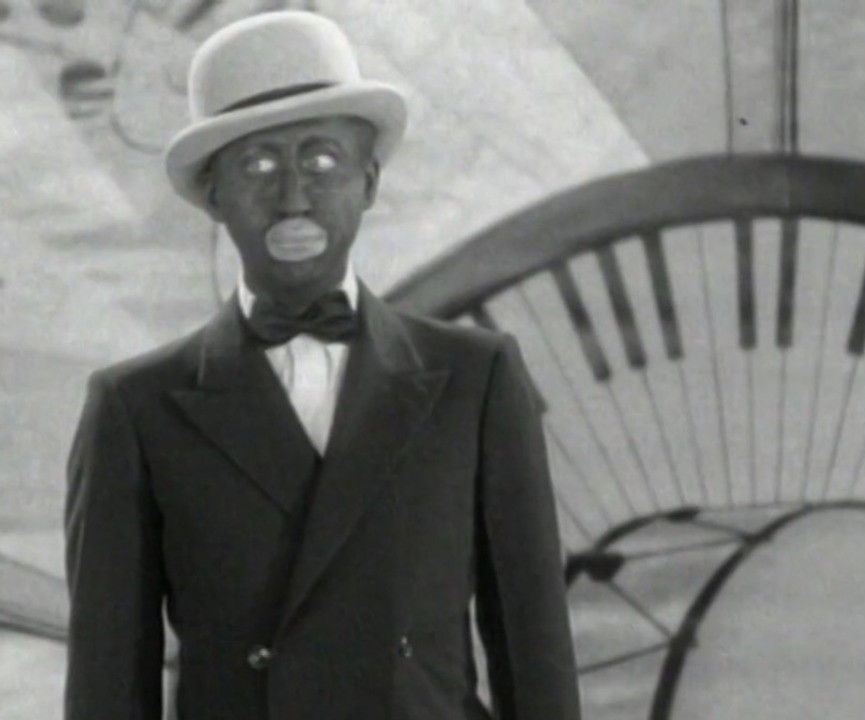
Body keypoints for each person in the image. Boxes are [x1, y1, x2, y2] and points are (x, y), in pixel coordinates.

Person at [64, 11, 581, 720]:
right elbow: (107, 688)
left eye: (323, 160)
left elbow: (536, 652)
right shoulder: (135, 407)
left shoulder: (475, 378)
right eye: (258, 165)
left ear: (369, 181)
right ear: (213, 195)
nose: (293, 198)